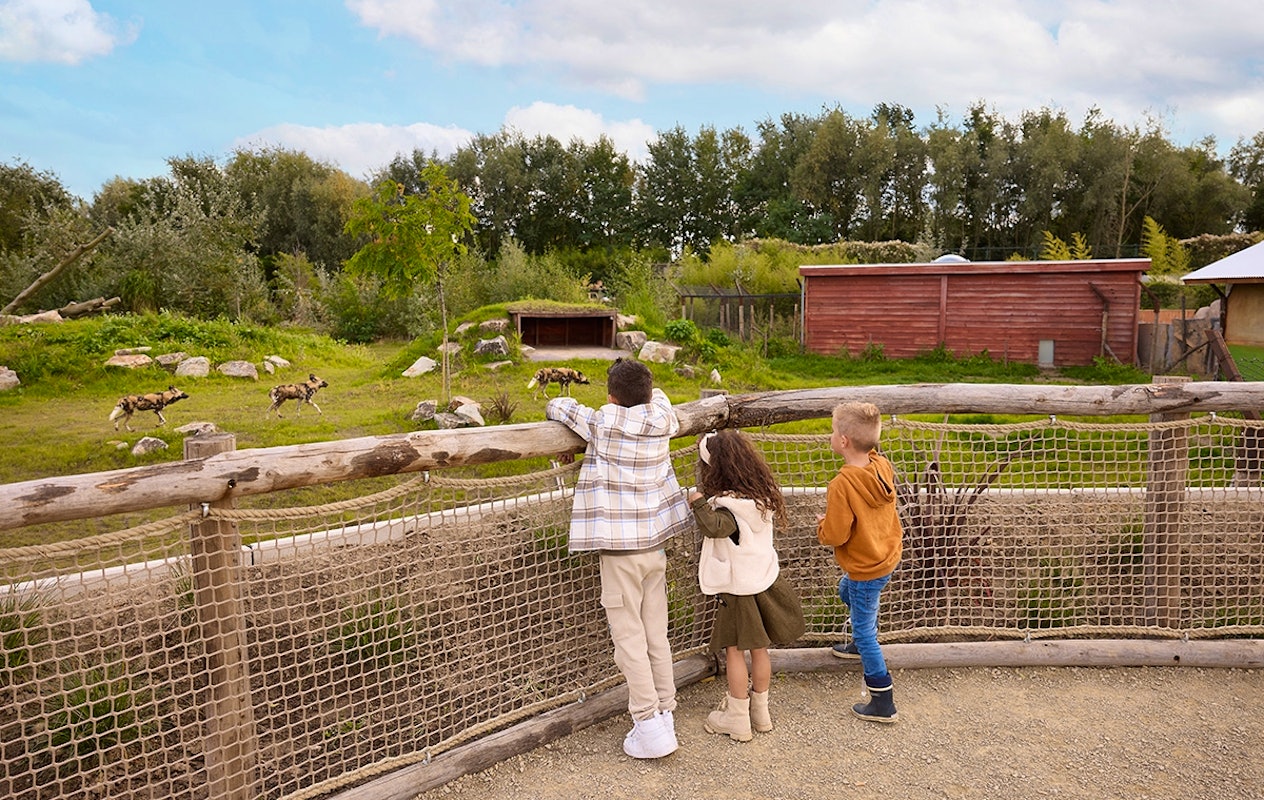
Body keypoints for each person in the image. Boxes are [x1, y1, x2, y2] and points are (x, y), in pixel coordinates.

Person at [545, 358, 693, 759]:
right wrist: (646, 396)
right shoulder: (663, 418)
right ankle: (665, 712)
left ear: (611, 398)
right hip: (655, 548)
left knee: (628, 639)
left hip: (619, 550)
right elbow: (659, 398)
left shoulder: (602, 423)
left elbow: (559, 408)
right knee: (655, 635)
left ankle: (647, 723)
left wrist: (600, 405)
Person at [689, 429, 805, 742]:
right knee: (760, 650)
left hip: (738, 592)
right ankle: (761, 713)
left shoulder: (728, 509)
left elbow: (715, 528)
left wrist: (698, 503)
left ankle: (738, 719)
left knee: (735, 651)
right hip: (762, 582)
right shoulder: (760, 498)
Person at [816, 401, 904, 723]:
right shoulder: (881, 465)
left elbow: (837, 534)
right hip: (886, 554)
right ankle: (859, 641)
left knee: (866, 630)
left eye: (833, 430)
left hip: (867, 567)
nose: (831, 434)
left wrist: (823, 525)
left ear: (843, 441)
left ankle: (883, 700)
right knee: (846, 591)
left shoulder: (841, 485)